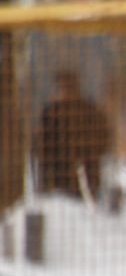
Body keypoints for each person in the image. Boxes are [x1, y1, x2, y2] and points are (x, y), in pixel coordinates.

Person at [34, 71, 111, 200]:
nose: (66, 92)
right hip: (56, 183)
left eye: (69, 87)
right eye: (63, 88)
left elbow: (103, 141)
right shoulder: (49, 115)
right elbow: (39, 147)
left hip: (85, 182)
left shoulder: (90, 113)